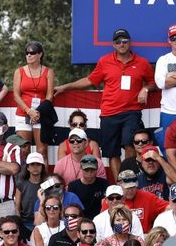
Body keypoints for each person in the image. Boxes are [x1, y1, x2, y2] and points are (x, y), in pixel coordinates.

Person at [55, 29, 153, 179]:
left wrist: (145, 88)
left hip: (131, 111)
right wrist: (65, 87)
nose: (122, 44)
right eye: (118, 41)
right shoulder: (104, 61)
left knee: (130, 145)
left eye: (125, 41)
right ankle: (121, 183)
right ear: (113, 44)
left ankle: (130, 179)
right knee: (112, 152)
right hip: (109, 113)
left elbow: (154, 83)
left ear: (130, 42)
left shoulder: (142, 63)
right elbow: (89, 81)